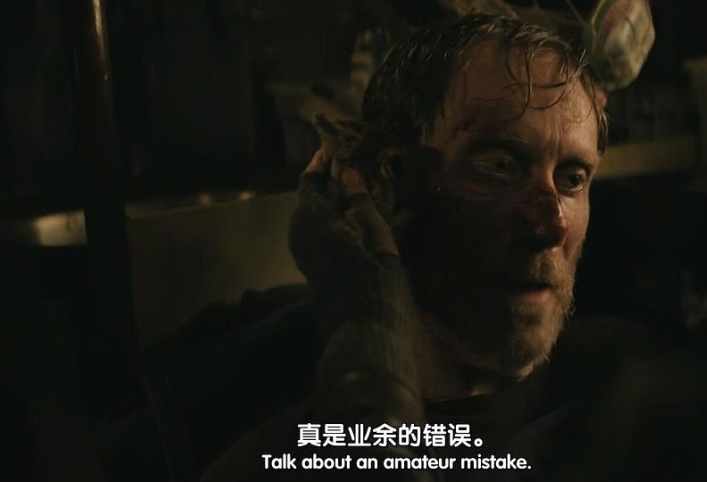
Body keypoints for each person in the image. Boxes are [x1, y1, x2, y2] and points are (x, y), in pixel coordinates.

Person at [201, 14, 618, 482]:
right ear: (389, 182)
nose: (551, 224)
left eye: (572, 179)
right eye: (500, 165)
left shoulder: (635, 413)